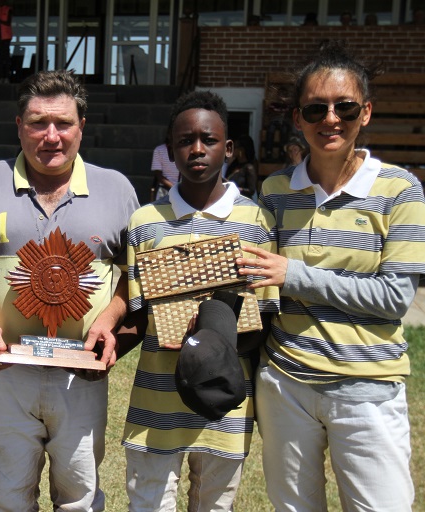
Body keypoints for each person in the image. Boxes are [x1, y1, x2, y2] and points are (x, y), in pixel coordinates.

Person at [237, 40, 425, 511]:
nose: (331, 119)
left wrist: (292, 274)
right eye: (316, 109)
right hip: (285, 384)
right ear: (298, 118)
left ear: (366, 112)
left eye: (344, 107)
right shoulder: (276, 191)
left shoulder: (400, 189)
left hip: (366, 390)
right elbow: (259, 283)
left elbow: (393, 298)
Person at [0, 69, 139, 511]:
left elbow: (133, 274)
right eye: (37, 123)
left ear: (82, 127)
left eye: (63, 123)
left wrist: (109, 321)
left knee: (80, 499)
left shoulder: (117, 189)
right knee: (7, 497)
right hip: (4, 372)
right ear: (18, 126)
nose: (51, 136)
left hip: (81, 375)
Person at [117, 90, 279, 512]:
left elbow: (264, 318)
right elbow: (137, 315)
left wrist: (212, 342)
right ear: (170, 149)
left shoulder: (257, 222)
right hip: (156, 400)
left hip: (223, 407)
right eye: (185, 140)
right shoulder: (144, 222)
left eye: (208, 140)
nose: (197, 149)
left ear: (228, 148)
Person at [150, 126, 180, 201]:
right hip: (165, 189)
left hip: (183, 189)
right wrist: (173, 187)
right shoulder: (159, 150)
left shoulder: (183, 149)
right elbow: (158, 175)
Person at [226, 134, 258, 199]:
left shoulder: (249, 168)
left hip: (243, 202)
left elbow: (251, 190)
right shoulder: (233, 165)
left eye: (234, 147)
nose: (232, 150)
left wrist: (237, 189)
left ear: (241, 150)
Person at [0, 0, 12, 83]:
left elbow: (8, 22)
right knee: (0, 58)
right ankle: (1, 77)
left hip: (6, 36)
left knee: (5, 57)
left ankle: (6, 77)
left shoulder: (8, 9)